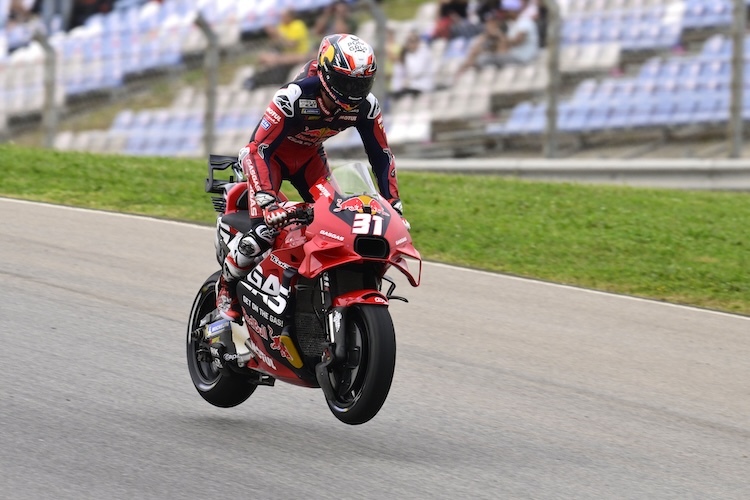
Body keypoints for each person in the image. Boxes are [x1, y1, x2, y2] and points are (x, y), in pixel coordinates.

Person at [215, 34, 407, 322]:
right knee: (263, 234)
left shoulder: (367, 107)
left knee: (342, 220)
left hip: (310, 160)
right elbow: (256, 149)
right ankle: (226, 286)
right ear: (327, 73)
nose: (354, 91)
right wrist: (267, 199)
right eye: (347, 82)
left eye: (361, 83)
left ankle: (321, 288)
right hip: (272, 161)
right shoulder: (293, 96)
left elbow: (381, 156)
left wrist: (394, 204)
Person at [457, 0, 539, 73]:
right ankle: (466, 68)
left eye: (506, 11)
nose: (504, 14)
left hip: (522, 58)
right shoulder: (514, 24)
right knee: (481, 50)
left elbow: (517, 41)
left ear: (512, 11)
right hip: (514, 56)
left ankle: (469, 67)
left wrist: (498, 35)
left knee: (484, 59)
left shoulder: (524, 21)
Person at [246, 8, 313, 89]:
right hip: (285, 54)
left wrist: (277, 34)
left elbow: (292, 45)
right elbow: (277, 44)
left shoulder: (297, 25)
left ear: (290, 17)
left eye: (283, 16)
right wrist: (272, 35)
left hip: (299, 54)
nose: (281, 18)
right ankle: (256, 79)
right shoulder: (281, 26)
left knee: (275, 59)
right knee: (264, 57)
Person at [390, 31, 434, 99]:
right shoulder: (408, 55)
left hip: (423, 86)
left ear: (418, 42)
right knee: (393, 94)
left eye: (413, 41)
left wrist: (404, 58)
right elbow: (399, 73)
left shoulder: (424, 53)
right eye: (409, 41)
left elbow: (416, 72)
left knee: (400, 95)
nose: (410, 44)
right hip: (412, 87)